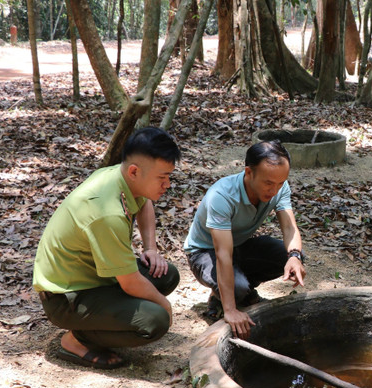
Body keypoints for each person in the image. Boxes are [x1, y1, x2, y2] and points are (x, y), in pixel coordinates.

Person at [33, 127, 181, 369]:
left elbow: (145, 202)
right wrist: (165, 306)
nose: (167, 184)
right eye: (162, 177)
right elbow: (130, 283)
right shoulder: (106, 211)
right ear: (134, 171)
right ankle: (76, 340)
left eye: (169, 177)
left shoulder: (120, 176)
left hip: (94, 276)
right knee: (155, 320)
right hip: (66, 296)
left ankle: (105, 321)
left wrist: (150, 248)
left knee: (165, 275)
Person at [183, 140, 306, 339]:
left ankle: (242, 291)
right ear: (249, 172)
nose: (274, 190)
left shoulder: (279, 186)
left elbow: (289, 227)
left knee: (291, 257)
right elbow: (223, 254)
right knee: (237, 287)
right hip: (205, 252)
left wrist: (294, 256)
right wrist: (230, 310)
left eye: (280, 183)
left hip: (239, 246)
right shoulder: (222, 195)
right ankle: (224, 297)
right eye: (268, 183)